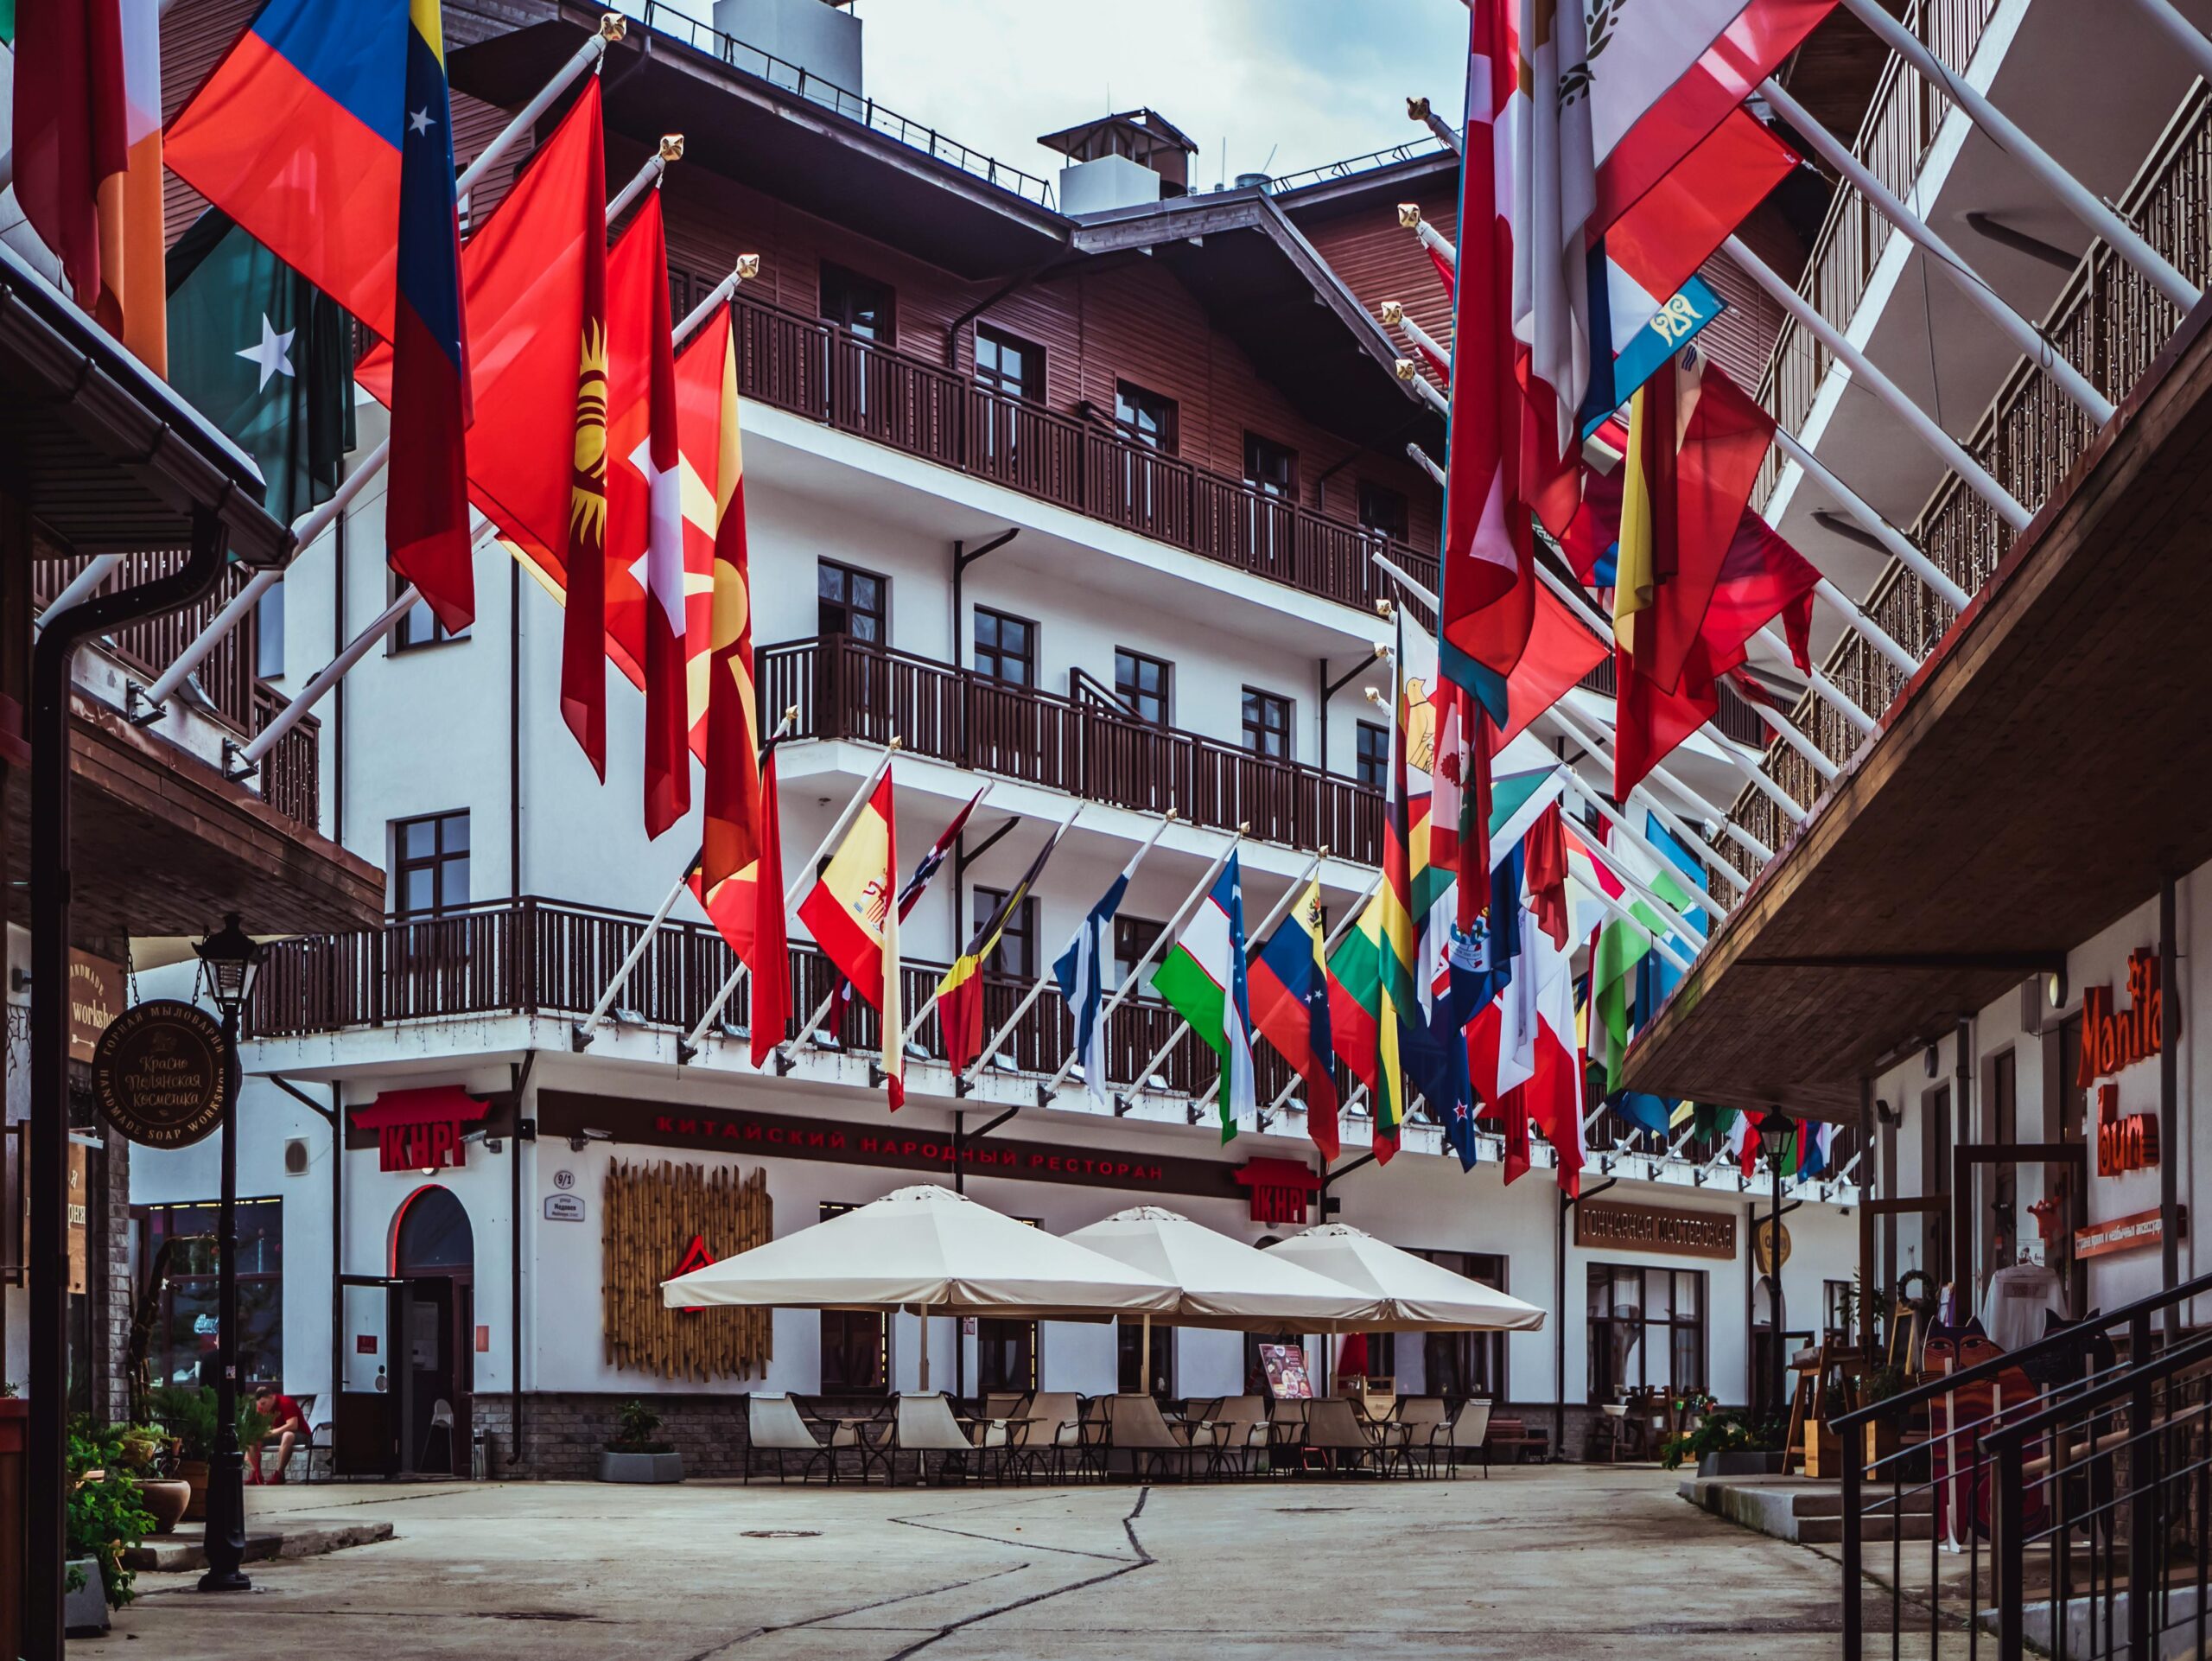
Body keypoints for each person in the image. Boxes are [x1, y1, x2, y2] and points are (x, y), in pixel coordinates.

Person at [247, 1384, 309, 1485]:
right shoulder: (262, 1407)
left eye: (263, 1403)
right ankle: (256, 1474)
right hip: (278, 1435)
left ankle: (279, 1474)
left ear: (271, 1397)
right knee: (252, 1438)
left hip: (300, 1434)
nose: (261, 1407)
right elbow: (260, 1426)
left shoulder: (286, 1402)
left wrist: (272, 1432)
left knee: (287, 1435)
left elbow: (293, 1425)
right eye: (259, 1404)